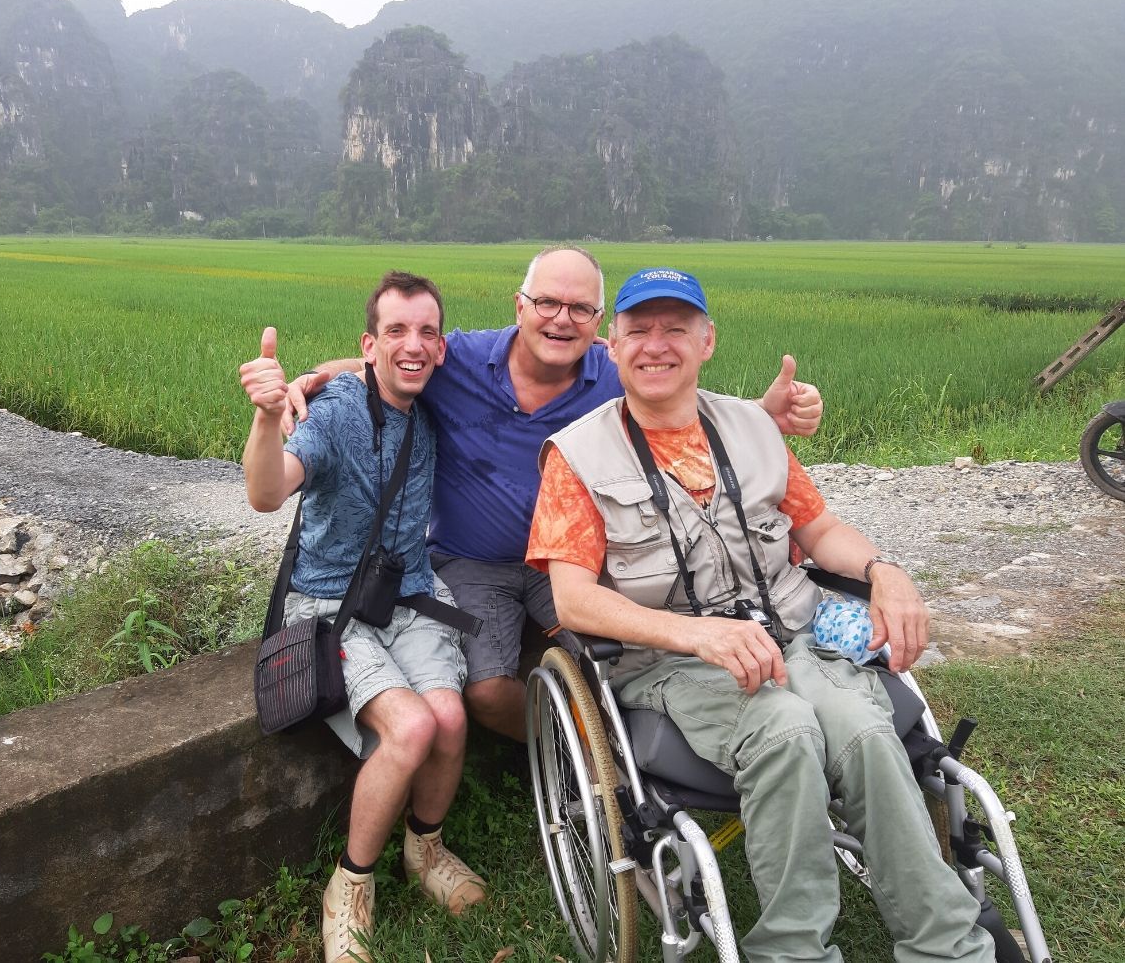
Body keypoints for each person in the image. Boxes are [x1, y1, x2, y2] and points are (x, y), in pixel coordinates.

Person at [526, 267, 995, 962]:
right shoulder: (577, 456)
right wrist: (698, 634)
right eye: (638, 330)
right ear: (612, 346)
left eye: (676, 328)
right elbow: (573, 598)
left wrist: (884, 571)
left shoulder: (753, 428)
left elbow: (819, 529)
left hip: (794, 633)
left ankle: (947, 943)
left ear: (707, 341)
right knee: (786, 730)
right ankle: (792, 950)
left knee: (866, 733)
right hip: (673, 662)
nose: (657, 345)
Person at [285, 246, 824, 741]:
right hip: (473, 562)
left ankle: (641, 746)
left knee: (625, 656)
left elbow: (678, 395)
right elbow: (390, 362)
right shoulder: (463, 360)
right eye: (547, 302)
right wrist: (312, 378)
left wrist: (761, 412)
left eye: (580, 309)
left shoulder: (613, 372)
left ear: (599, 323)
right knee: (486, 690)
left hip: (570, 563)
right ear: (520, 306)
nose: (562, 319)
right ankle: (572, 754)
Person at [241, 271, 485, 963]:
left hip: (409, 594)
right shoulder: (339, 412)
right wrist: (267, 416)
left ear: (441, 347)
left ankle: (425, 847)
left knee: (450, 718)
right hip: (331, 605)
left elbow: (501, 358)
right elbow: (267, 492)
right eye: (396, 331)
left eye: (427, 332)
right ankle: (350, 883)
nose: (414, 345)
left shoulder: (433, 397)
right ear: (369, 343)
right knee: (410, 728)